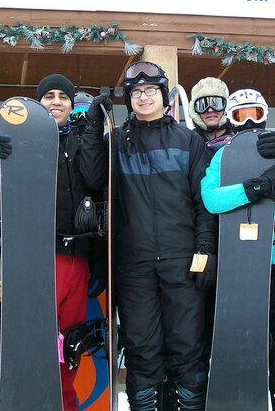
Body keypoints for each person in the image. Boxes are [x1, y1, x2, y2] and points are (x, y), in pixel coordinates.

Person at [81, 61, 217, 411]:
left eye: (150, 91)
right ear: (129, 99)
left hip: (182, 262)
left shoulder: (188, 141)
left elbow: (204, 204)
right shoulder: (118, 142)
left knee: (187, 346)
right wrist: (96, 125)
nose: (143, 97)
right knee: (142, 349)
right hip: (134, 265)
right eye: (136, 92)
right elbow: (94, 178)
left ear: (164, 95)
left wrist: (204, 253)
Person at [0, 74, 105, 411]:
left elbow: (96, 182)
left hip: (77, 257)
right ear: (39, 104)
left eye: (62, 97)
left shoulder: (80, 142)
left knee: (69, 342)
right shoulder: (23, 142)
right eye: (48, 96)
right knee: (34, 338)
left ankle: (65, 403)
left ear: (71, 104)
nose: (55, 102)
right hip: (40, 257)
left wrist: (94, 132)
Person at [200, 88, 275, 411]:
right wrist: (252, 190)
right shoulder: (222, 156)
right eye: (239, 115)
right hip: (241, 260)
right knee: (246, 329)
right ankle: (245, 392)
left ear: (265, 116)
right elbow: (211, 199)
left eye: (254, 114)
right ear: (230, 121)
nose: (248, 122)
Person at [187, 77, 231, 147]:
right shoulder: (189, 141)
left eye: (217, 104)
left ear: (225, 107)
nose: (210, 110)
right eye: (203, 105)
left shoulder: (237, 135)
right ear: (194, 110)